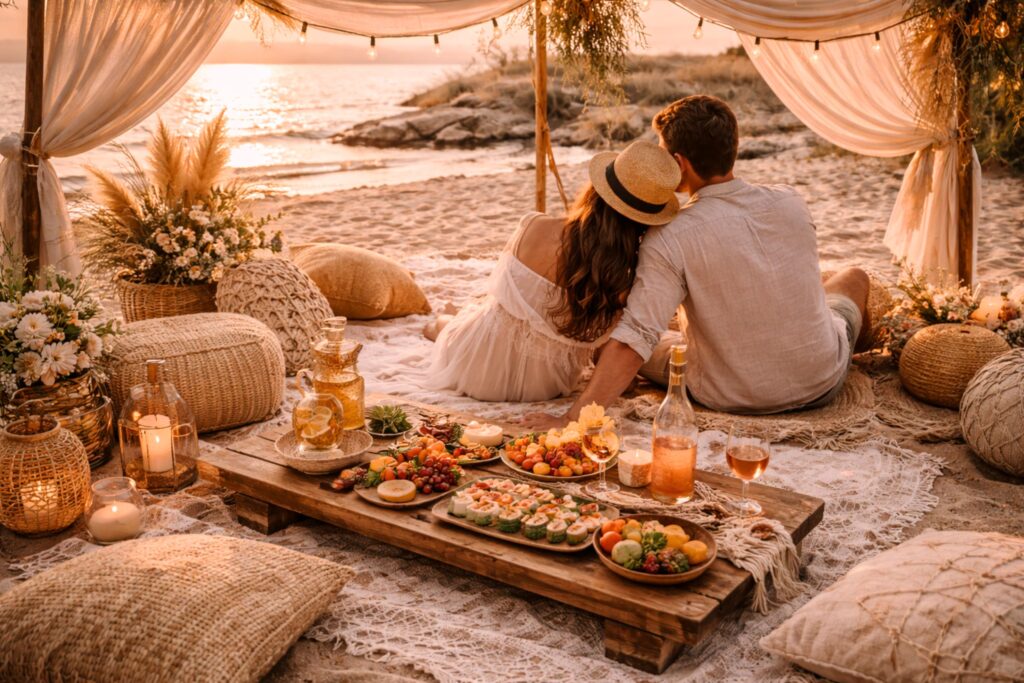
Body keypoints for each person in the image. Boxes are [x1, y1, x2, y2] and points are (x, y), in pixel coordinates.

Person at [527, 95, 871, 427]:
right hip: (823, 379)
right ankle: (862, 352)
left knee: (615, 345)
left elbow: (636, 338)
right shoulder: (792, 202)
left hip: (730, 393)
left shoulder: (672, 235)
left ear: (679, 164)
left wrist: (572, 419)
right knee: (855, 277)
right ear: (732, 148)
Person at [423, 141, 682, 402]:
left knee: (457, 324)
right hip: (544, 387)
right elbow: (608, 354)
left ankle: (443, 323)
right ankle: (448, 321)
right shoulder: (622, 280)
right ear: (645, 222)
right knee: (471, 318)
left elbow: (500, 295)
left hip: (472, 371)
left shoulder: (533, 225)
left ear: (596, 190)